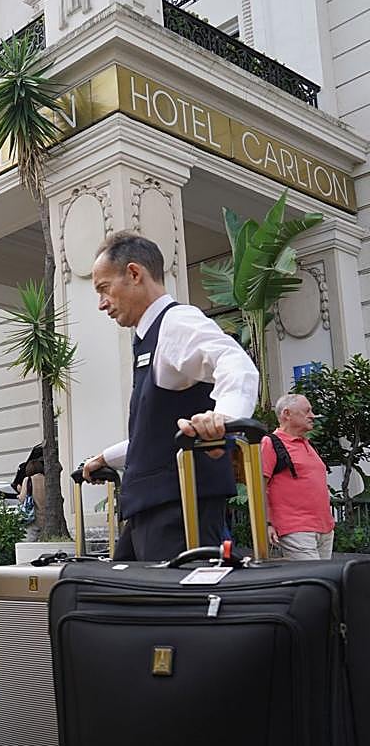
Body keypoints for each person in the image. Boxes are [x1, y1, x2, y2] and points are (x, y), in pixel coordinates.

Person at [81, 231, 259, 561]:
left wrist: (224, 420)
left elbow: (236, 363)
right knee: (122, 603)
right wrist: (105, 458)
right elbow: (158, 434)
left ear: (134, 274)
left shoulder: (176, 321)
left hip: (178, 511)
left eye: (104, 289)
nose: (102, 303)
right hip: (152, 510)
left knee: (174, 610)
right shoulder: (148, 337)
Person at [262, 394, 335, 560]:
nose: (312, 415)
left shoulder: (306, 443)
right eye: (307, 411)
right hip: (296, 529)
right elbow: (259, 487)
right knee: (313, 581)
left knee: (324, 582)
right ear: (287, 414)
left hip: (324, 528)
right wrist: (266, 524)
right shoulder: (271, 443)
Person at [17, 459, 46, 541]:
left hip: (33, 518)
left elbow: (22, 499)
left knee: (30, 543)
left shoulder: (28, 480)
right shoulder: (47, 479)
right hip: (46, 519)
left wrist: (19, 491)